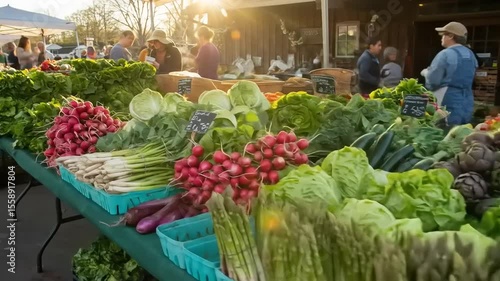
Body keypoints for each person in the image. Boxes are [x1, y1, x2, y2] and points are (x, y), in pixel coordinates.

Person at [421, 21, 478, 126]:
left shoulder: (445, 54)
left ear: (451, 36)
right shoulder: (471, 55)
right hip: (466, 100)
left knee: (443, 130)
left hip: (447, 99)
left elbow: (433, 81)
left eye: (443, 34)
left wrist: (425, 72)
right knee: (461, 132)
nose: (441, 37)